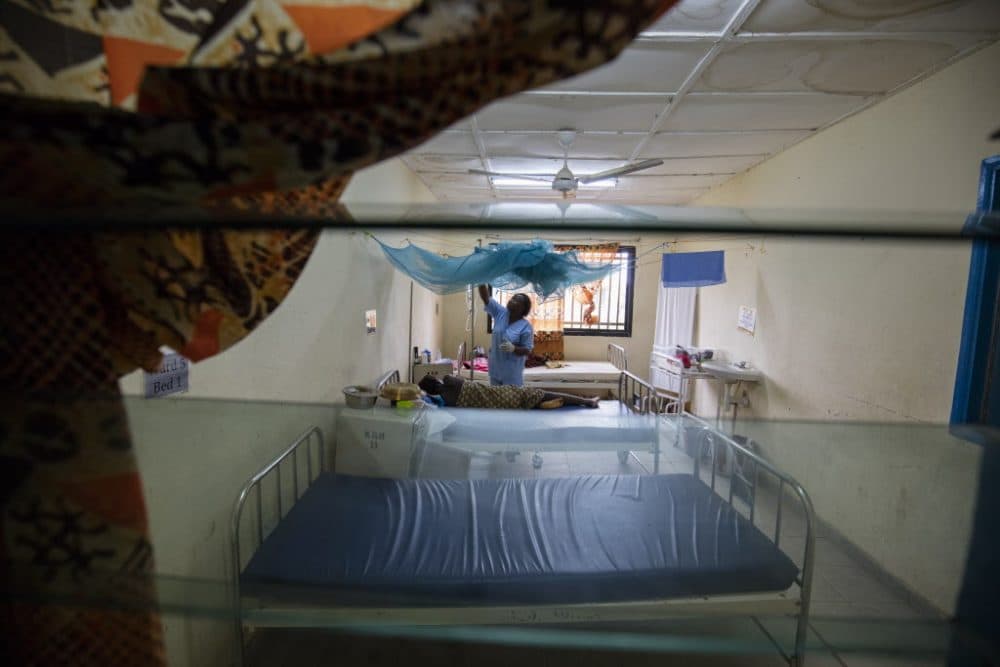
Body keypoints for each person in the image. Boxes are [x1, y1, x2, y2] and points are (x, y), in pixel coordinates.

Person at [419, 374, 599, 410]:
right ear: (436, 380)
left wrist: (427, 395)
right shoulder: (450, 380)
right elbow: (454, 377)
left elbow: (430, 401)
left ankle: (540, 405)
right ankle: (587, 401)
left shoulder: (446, 400)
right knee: (541, 393)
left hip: (498, 403)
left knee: (537, 397)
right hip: (503, 393)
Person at [478, 284, 533, 386]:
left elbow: (527, 350)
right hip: (495, 370)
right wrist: (480, 280)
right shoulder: (500, 313)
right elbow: (486, 298)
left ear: (523, 309)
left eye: (517, 300)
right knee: (495, 400)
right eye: (512, 298)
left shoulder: (526, 326)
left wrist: (514, 348)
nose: (512, 300)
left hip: (512, 374)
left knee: (509, 401)